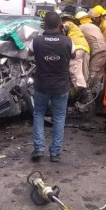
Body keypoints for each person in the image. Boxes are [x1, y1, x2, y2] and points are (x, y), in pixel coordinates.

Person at [28, 11, 75, 163]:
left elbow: (29, 53)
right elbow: (73, 55)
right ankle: (55, 153)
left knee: (39, 114)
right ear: (60, 24)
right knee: (59, 117)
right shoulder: (68, 41)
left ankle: (39, 148)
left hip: (42, 85)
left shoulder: (37, 41)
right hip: (61, 86)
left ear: (45, 24)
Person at [75, 11, 106, 97]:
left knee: (92, 74)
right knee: (99, 75)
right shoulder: (94, 26)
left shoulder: (81, 27)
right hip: (104, 50)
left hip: (98, 52)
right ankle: (98, 97)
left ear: (79, 21)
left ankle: (88, 97)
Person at [61, 14, 91, 104]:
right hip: (85, 48)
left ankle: (84, 94)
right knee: (84, 73)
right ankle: (85, 95)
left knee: (74, 70)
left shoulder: (68, 23)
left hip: (76, 48)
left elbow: (63, 28)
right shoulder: (77, 29)